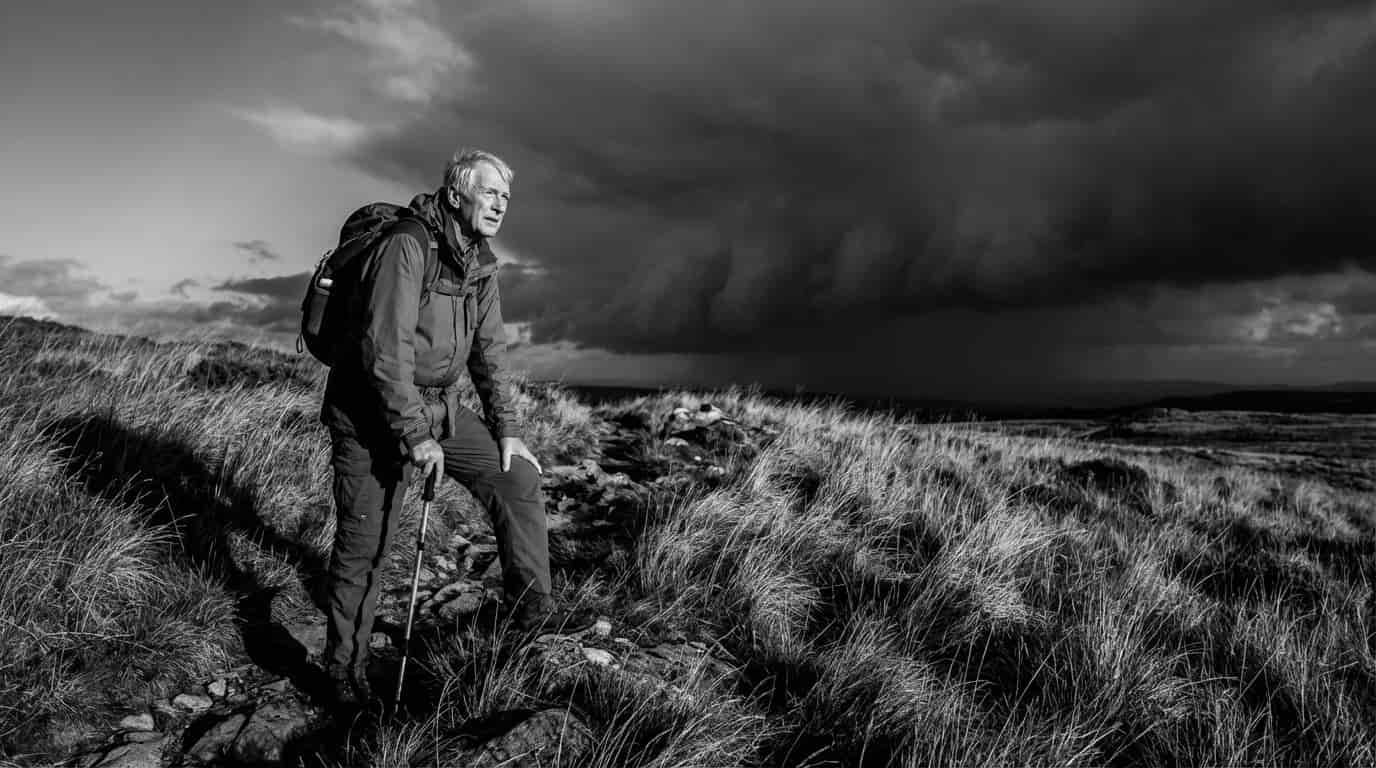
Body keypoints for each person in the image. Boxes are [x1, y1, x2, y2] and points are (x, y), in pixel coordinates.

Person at [317, 148, 579, 707]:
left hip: (439, 408)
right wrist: (414, 437)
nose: (501, 205)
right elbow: (382, 352)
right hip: (370, 411)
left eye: (507, 197)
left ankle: (532, 618)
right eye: (491, 193)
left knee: (517, 479)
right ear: (457, 194)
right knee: (369, 541)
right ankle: (344, 672)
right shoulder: (406, 246)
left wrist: (506, 428)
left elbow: (490, 351)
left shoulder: (481, 262)